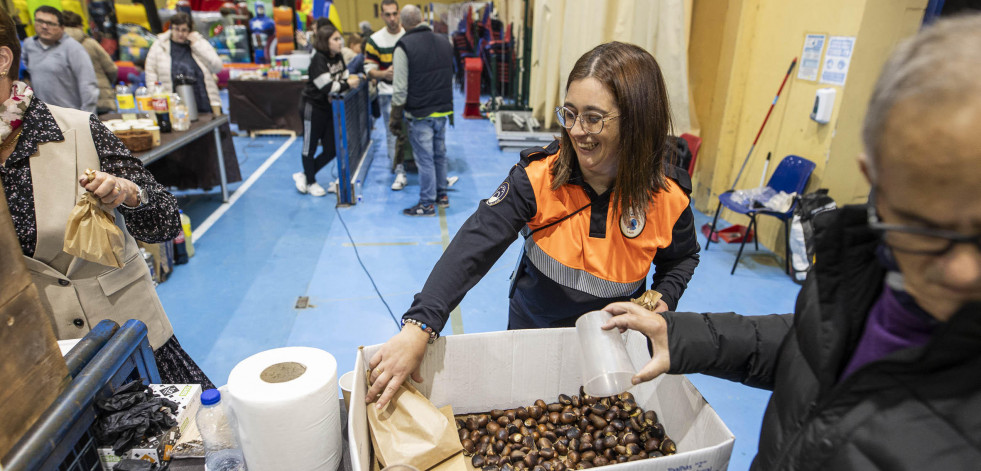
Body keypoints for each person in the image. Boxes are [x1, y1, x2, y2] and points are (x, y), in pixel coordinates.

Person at [601, 15, 981, 470]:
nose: (963, 270)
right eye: (923, 224)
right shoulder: (862, 275)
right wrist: (682, 334)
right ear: (875, 179)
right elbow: (811, 345)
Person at [367, 42, 700, 408]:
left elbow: (680, 259)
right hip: (532, 331)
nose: (575, 130)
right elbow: (475, 243)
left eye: (593, 118)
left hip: (609, 344)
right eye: (569, 113)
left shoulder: (669, 195)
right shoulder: (539, 177)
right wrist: (419, 326)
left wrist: (662, 299)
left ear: (636, 121)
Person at [0, 8, 214, 389]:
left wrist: (128, 194)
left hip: (126, 346)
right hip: (31, 365)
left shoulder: (78, 129)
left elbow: (165, 220)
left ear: (3, 59)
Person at [390, 5, 454, 216]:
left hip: (420, 114)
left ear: (403, 23)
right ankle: (442, 195)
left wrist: (395, 116)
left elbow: (399, 88)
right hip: (442, 111)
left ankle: (426, 204)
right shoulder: (444, 41)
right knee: (439, 155)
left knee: (425, 159)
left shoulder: (404, 46)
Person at [292, 23, 360, 197]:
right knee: (310, 146)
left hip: (329, 107)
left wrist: (341, 85)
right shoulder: (319, 59)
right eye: (335, 39)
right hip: (312, 107)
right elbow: (328, 86)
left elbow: (343, 78)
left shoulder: (338, 57)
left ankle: (305, 175)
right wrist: (344, 85)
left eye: (340, 38)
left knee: (331, 148)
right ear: (325, 42)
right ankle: (311, 181)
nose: (340, 42)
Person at [20, 6, 99, 113]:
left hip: (70, 115)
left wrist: (87, 117)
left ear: (62, 27)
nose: (44, 26)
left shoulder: (73, 48)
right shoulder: (28, 45)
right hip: (42, 116)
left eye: (50, 23)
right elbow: (25, 76)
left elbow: (88, 86)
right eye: (39, 21)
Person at [364, 0, 407, 190]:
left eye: (394, 14)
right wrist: (383, 74)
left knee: (414, 134)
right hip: (387, 95)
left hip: (410, 95)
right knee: (393, 135)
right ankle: (399, 172)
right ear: (382, 15)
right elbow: (368, 69)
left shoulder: (408, 36)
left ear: (399, 14)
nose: (392, 18)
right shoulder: (375, 40)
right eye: (387, 14)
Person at [145, 13, 223, 114]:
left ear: (190, 30)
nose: (180, 34)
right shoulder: (159, 45)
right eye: (176, 29)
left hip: (203, 100)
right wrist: (154, 95)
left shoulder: (200, 42)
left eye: (184, 30)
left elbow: (217, 67)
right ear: (171, 29)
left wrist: (196, 45)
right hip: (173, 103)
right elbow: (150, 72)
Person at [60, 11, 118, 115]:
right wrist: (107, 84)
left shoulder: (54, 47)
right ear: (79, 25)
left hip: (69, 102)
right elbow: (111, 68)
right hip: (101, 98)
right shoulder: (90, 43)